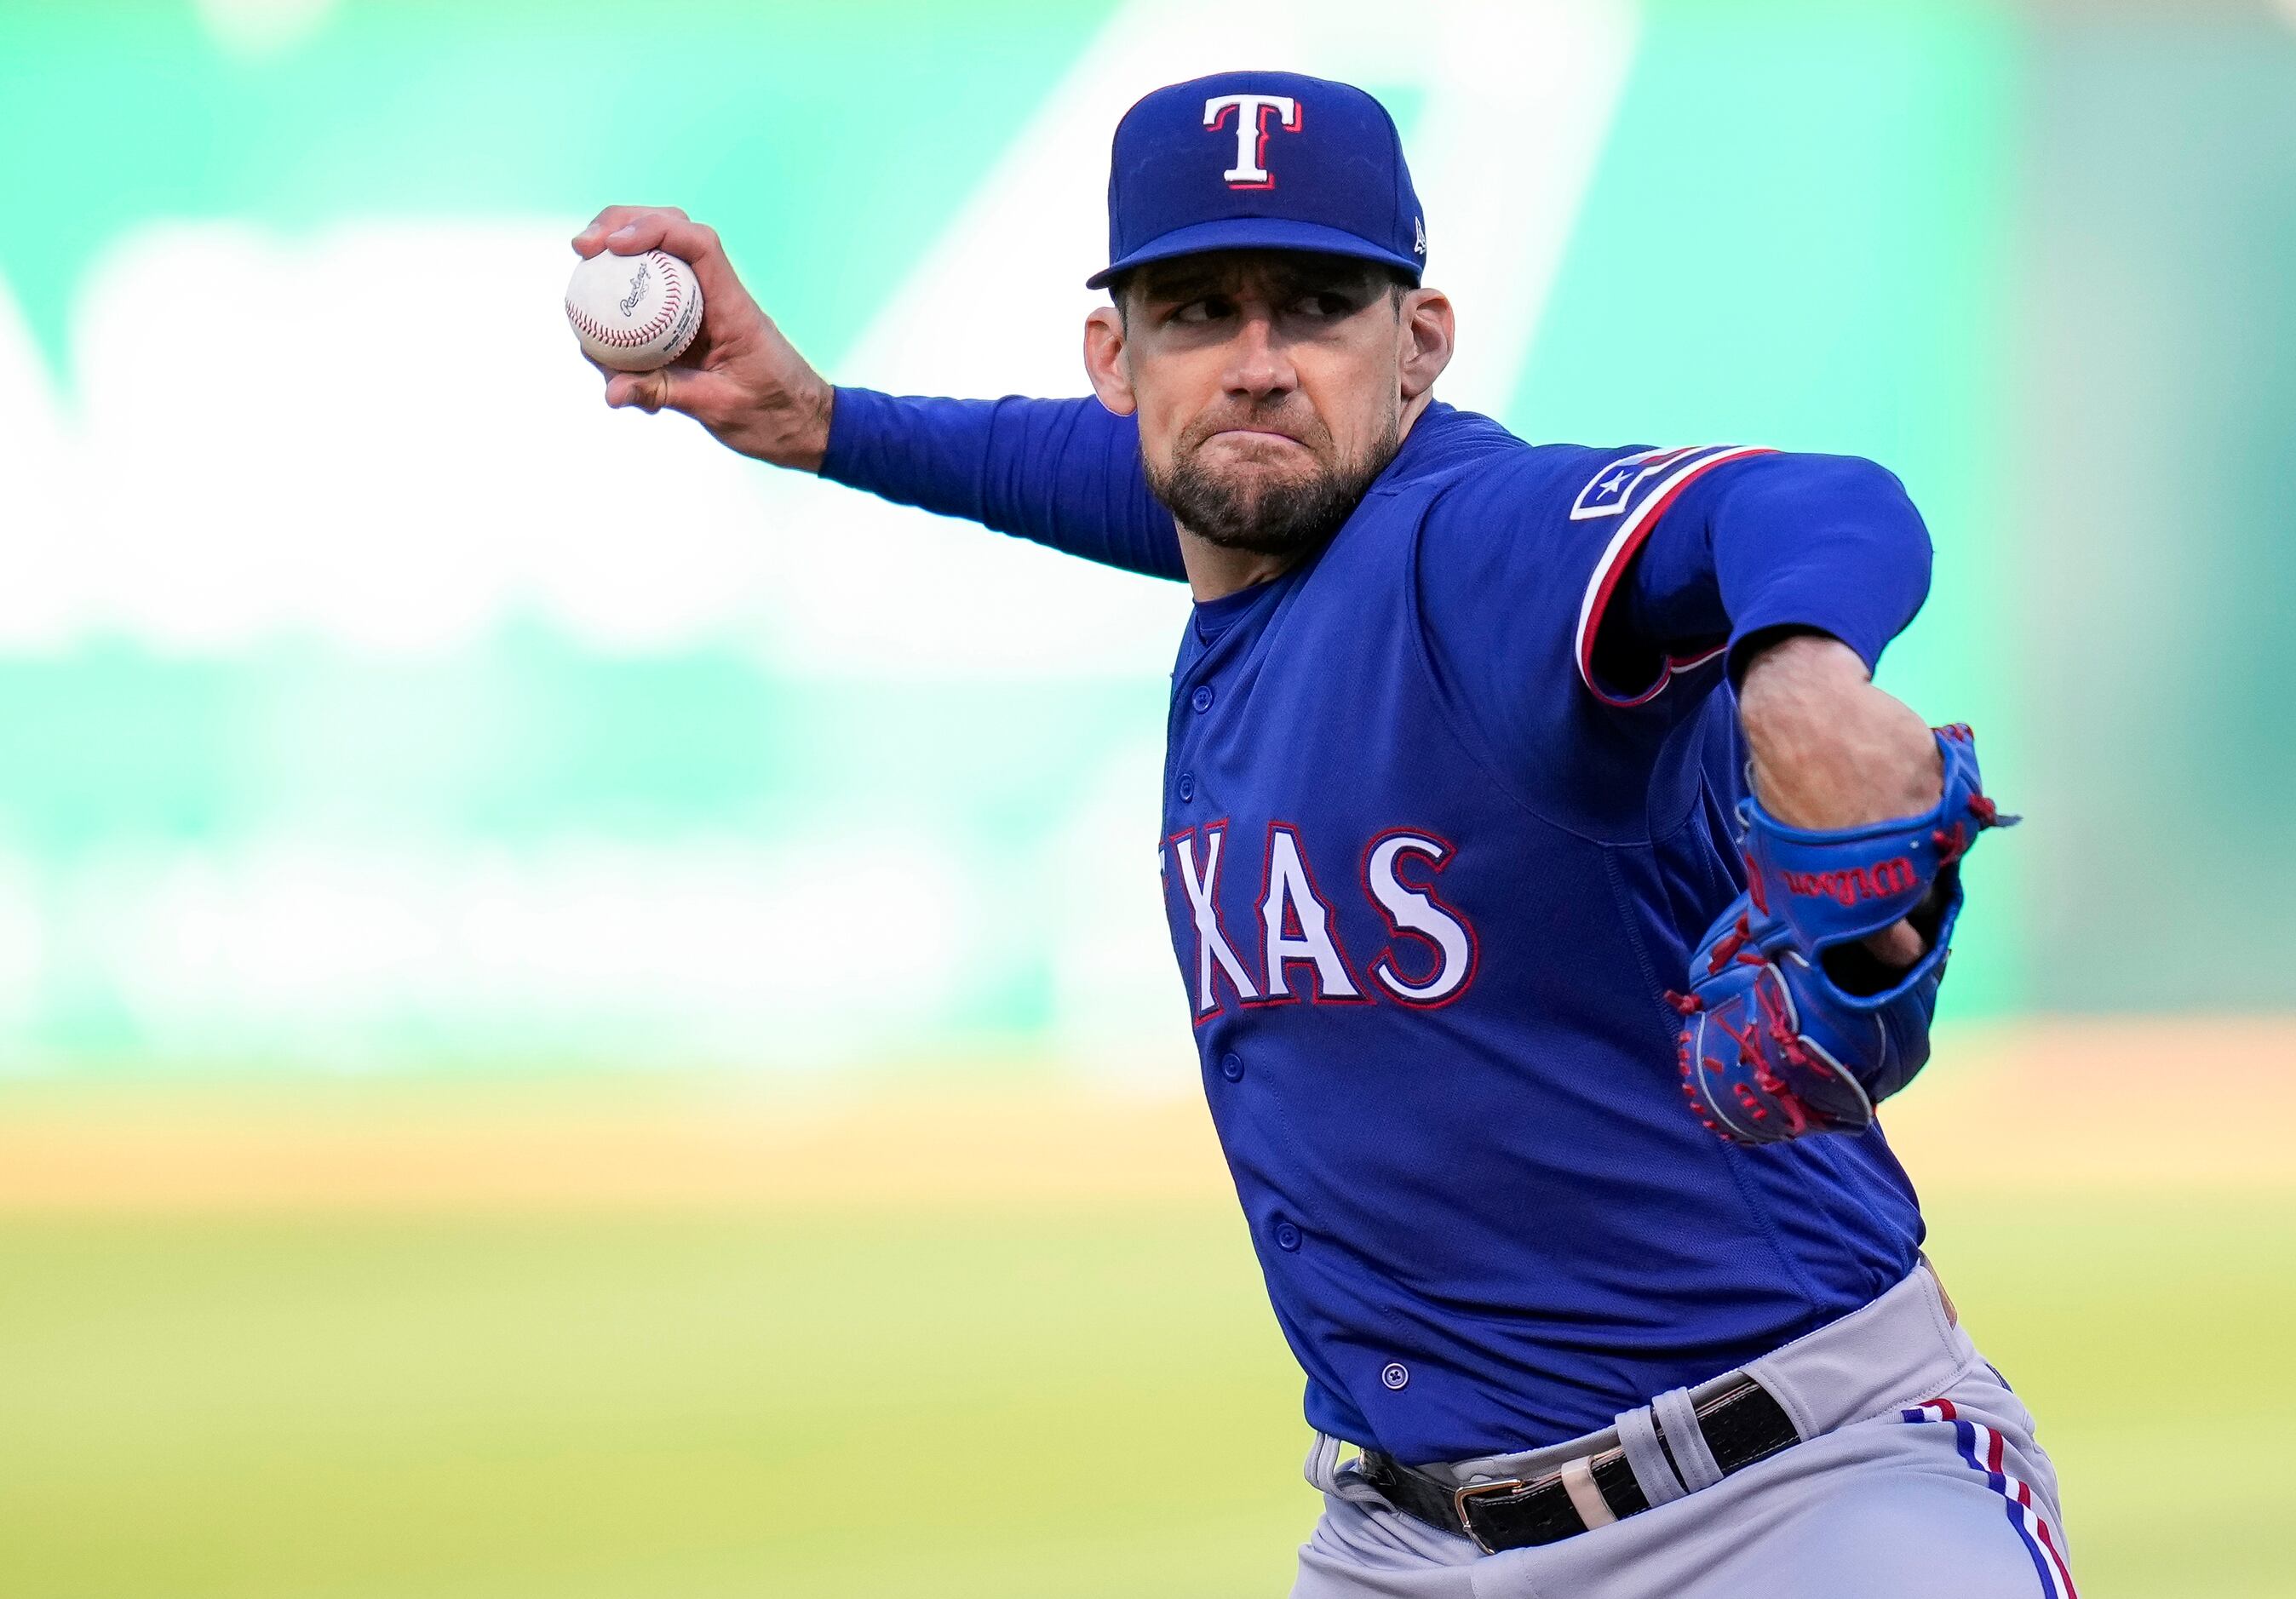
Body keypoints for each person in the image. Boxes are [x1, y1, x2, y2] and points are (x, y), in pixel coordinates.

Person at [571, 69, 2071, 1599]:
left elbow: (1811, 502)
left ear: (1418, 344)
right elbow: (1104, 472)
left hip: (1787, 1506)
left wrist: (1802, 669)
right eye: (1195, 313)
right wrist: (820, 420)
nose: (1256, 363)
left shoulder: (1472, 551)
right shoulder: (1243, 521)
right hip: (1396, 1542)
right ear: (1115, 357)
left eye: (1316, 304)